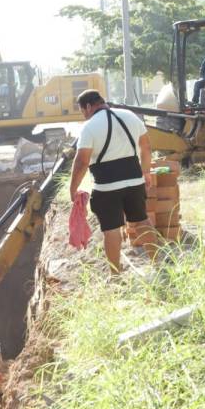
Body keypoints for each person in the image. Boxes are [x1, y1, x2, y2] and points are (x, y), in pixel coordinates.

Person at [69, 90, 155, 273]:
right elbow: (146, 147)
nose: (84, 115)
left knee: (112, 229)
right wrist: (146, 172)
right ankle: (159, 263)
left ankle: (115, 275)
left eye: (83, 111)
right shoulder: (130, 116)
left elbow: (81, 162)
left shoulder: (89, 127)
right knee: (142, 221)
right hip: (134, 181)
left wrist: (73, 188)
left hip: (107, 186)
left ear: (89, 106)